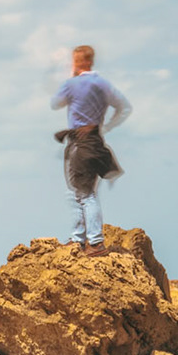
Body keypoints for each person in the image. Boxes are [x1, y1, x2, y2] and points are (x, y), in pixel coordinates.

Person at [49, 45, 132, 255]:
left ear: (81, 62)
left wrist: (70, 78)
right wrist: (106, 126)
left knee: (83, 194)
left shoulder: (73, 84)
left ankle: (92, 242)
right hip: (96, 142)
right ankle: (82, 239)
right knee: (82, 192)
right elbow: (124, 107)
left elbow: (55, 103)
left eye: (74, 61)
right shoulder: (102, 84)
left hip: (79, 143)